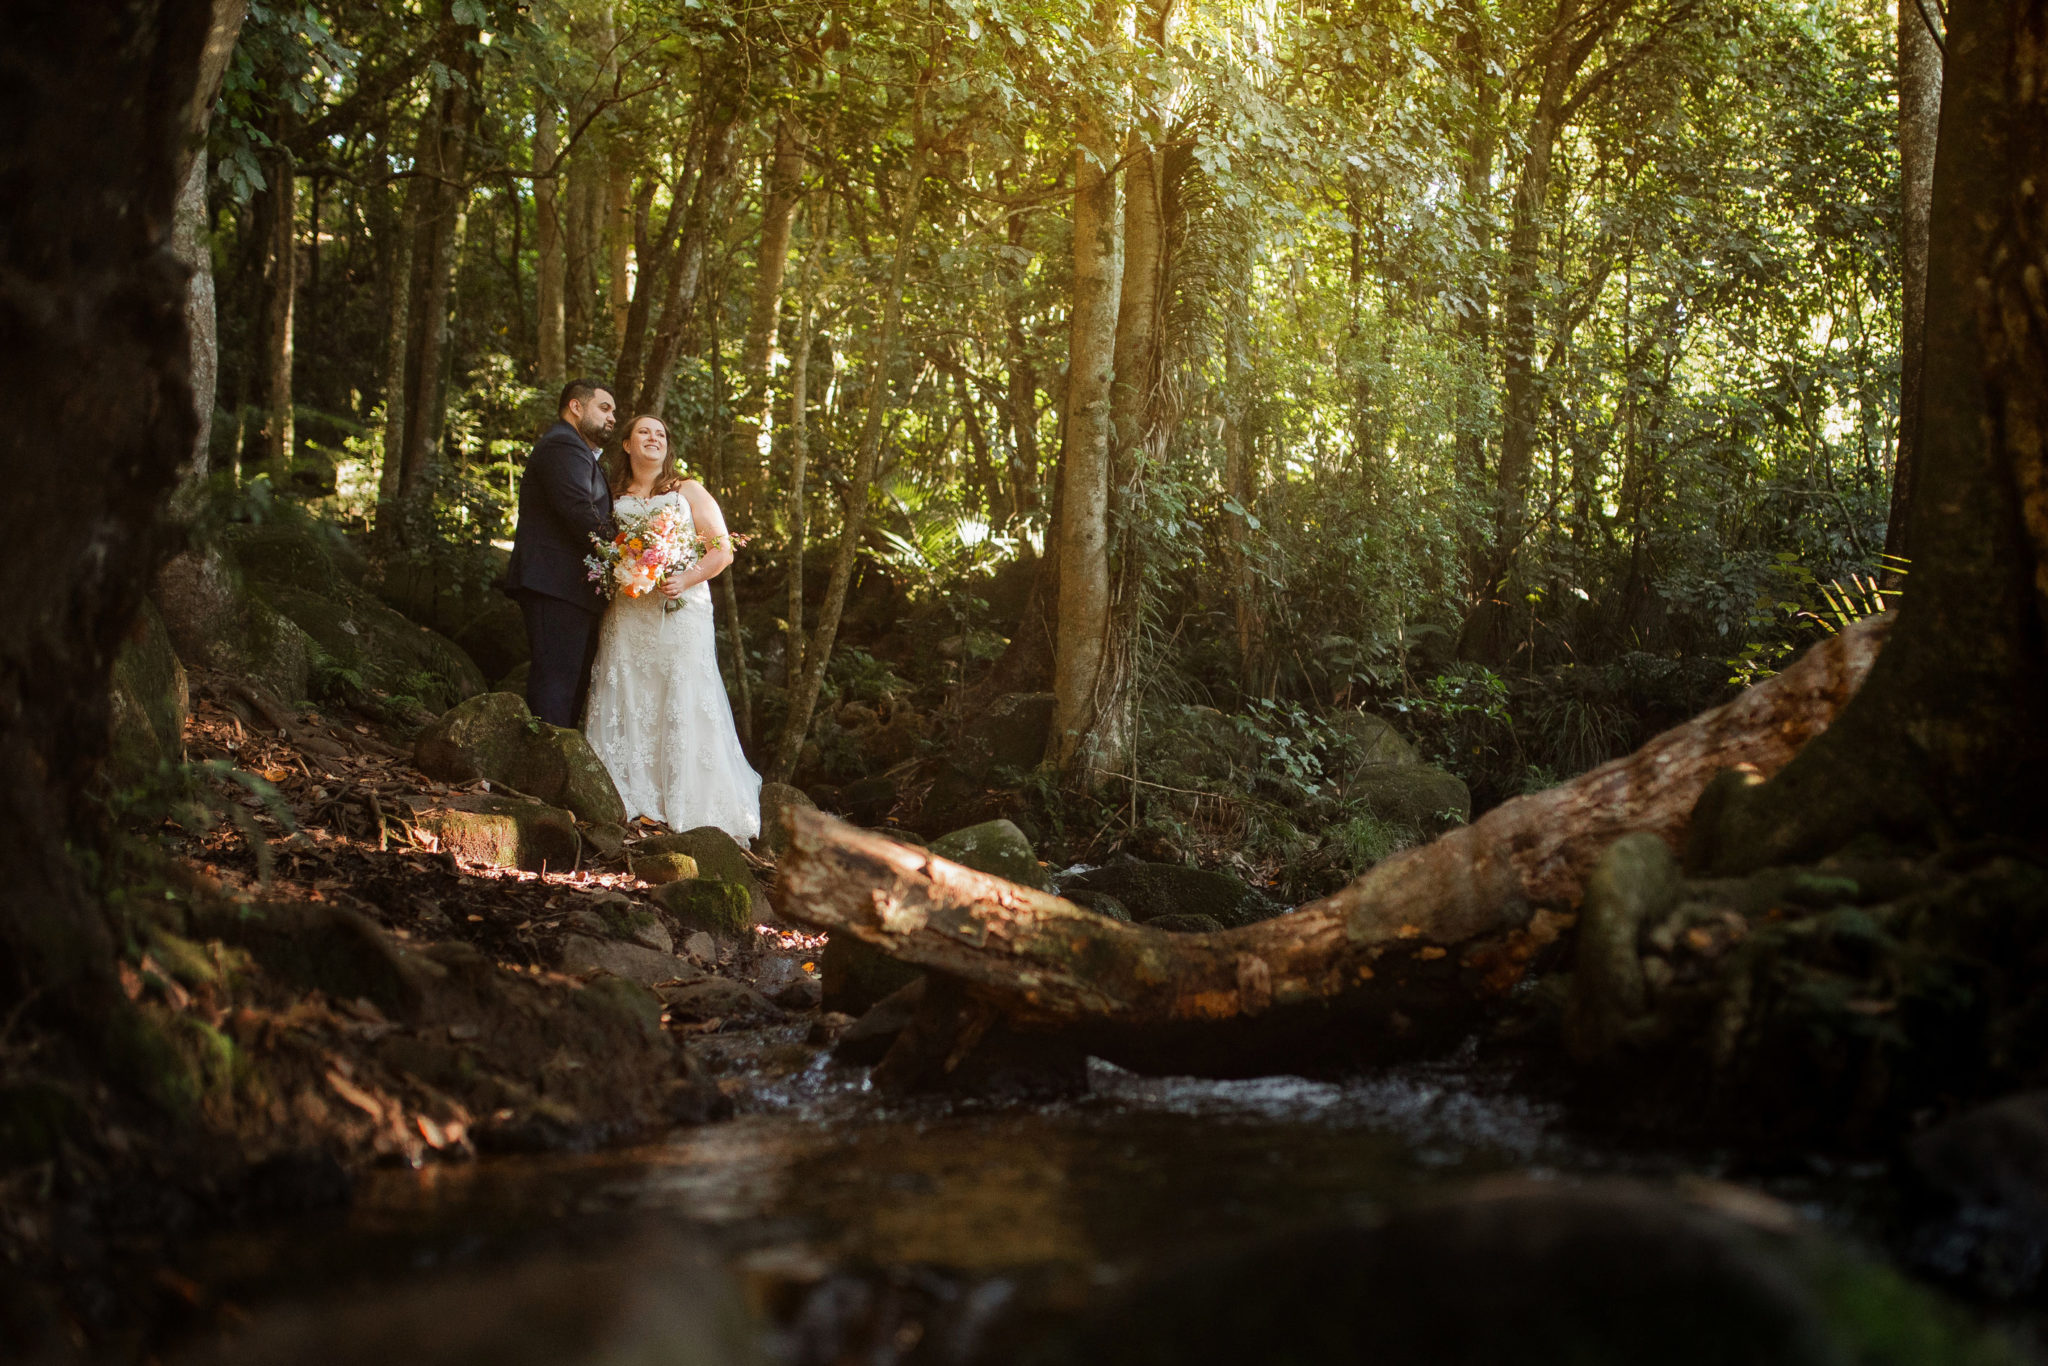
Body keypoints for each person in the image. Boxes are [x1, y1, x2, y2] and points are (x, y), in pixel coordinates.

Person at [583, 414, 761, 842]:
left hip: (681, 609)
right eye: (644, 431)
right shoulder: (610, 495)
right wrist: (619, 571)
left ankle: (686, 802)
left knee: (682, 693)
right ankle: (626, 797)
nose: (653, 438)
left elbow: (722, 551)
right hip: (627, 613)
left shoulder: (688, 491)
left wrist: (685, 578)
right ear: (626, 444)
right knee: (626, 689)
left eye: (661, 433)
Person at [503, 379, 616, 727]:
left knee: (569, 686)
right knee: (555, 686)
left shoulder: (577, 450)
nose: (613, 417)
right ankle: (539, 770)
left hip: (569, 588)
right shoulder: (562, 446)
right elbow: (579, 512)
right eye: (605, 408)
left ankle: (552, 767)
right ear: (576, 407)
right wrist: (623, 553)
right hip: (554, 583)